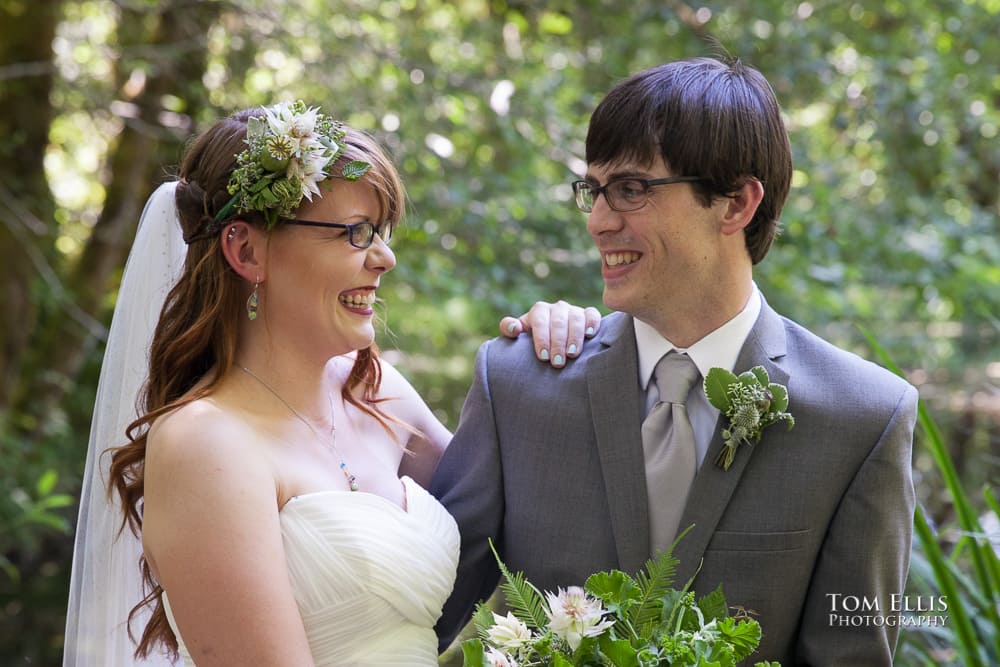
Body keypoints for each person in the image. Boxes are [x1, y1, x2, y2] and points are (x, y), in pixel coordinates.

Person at [62, 101, 598, 666]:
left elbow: (523, 497)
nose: (385, 258)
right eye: (354, 233)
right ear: (245, 250)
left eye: (382, 232)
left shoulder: (378, 393)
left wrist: (551, 345)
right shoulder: (205, 443)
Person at [431, 55, 918, 665]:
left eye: (631, 190)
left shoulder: (864, 417)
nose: (600, 222)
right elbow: (425, 615)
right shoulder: (516, 384)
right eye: (595, 191)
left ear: (736, 204)